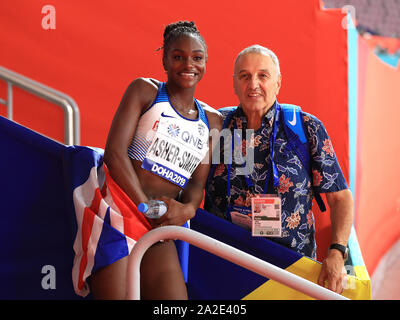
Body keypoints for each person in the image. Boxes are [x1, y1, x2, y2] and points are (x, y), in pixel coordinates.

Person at [204, 44, 354, 294]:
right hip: (225, 264)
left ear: (278, 82)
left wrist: (337, 252)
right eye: (244, 76)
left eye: (263, 75)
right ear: (234, 83)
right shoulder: (218, 125)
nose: (253, 84)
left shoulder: (304, 128)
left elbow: (341, 197)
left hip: (290, 269)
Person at [89, 21, 222, 299]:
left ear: (206, 62)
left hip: (161, 225)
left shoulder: (213, 121)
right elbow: (114, 153)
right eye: (178, 56)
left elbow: (198, 184)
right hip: (120, 214)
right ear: (164, 59)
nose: (188, 64)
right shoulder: (144, 91)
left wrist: (187, 211)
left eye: (197, 57)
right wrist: (145, 207)